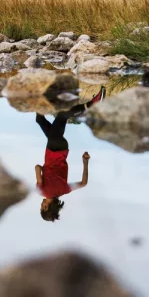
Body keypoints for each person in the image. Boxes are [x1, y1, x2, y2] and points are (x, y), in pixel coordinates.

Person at [35, 87, 105, 222]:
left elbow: (83, 183)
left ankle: (44, 95)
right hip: (53, 148)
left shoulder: (64, 190)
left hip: (62, 149)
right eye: (41, 207)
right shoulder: (42, 191)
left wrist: (85, 162)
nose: (40, 205)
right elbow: (37, 167)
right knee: (62, 116)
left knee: (40, 119)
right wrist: (43, 171)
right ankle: (92, 105)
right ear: (45, 207)